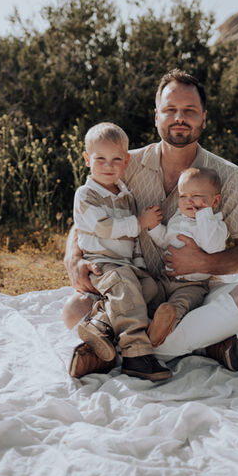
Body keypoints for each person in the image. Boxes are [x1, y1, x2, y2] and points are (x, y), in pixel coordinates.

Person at [64, 68, 238, 378]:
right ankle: (202, 342)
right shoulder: (121, 162)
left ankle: (117, 351)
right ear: (157, 115)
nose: (179, 117)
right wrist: (74, 258)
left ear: (204, 118)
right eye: (170, 109)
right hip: (136, 287)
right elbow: (85, 218)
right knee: (74, 311)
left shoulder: (229, 176)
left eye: (189, 111)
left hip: (195, 291)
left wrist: (205, 262)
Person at [67, 121, 171, 381]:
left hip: (125, 265)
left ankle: (100, 325)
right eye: (100, 159)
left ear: (126, 161)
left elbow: (132, 242)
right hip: (101, 264)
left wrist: (140, 266)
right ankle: (136, 354)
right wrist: (140, 223)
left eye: (115, 159)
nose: (108, 166)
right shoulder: (86, 194)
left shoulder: (126, 196)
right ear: (87, 159)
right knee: (125, 288)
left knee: (149, 288)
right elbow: (104, 228)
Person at [147, 166, 228, 347]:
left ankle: (163, 328)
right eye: (183, 196)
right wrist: (154, 227)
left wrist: (204, 214)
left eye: (197, 196)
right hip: (165, 279)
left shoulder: (216, 225)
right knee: (150, 296)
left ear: (215, 201)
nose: (188, 201)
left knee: (181, 304)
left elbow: (212, 247)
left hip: (193, 284)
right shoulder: (177, 218)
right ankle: (147, 324)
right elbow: (164, 241)